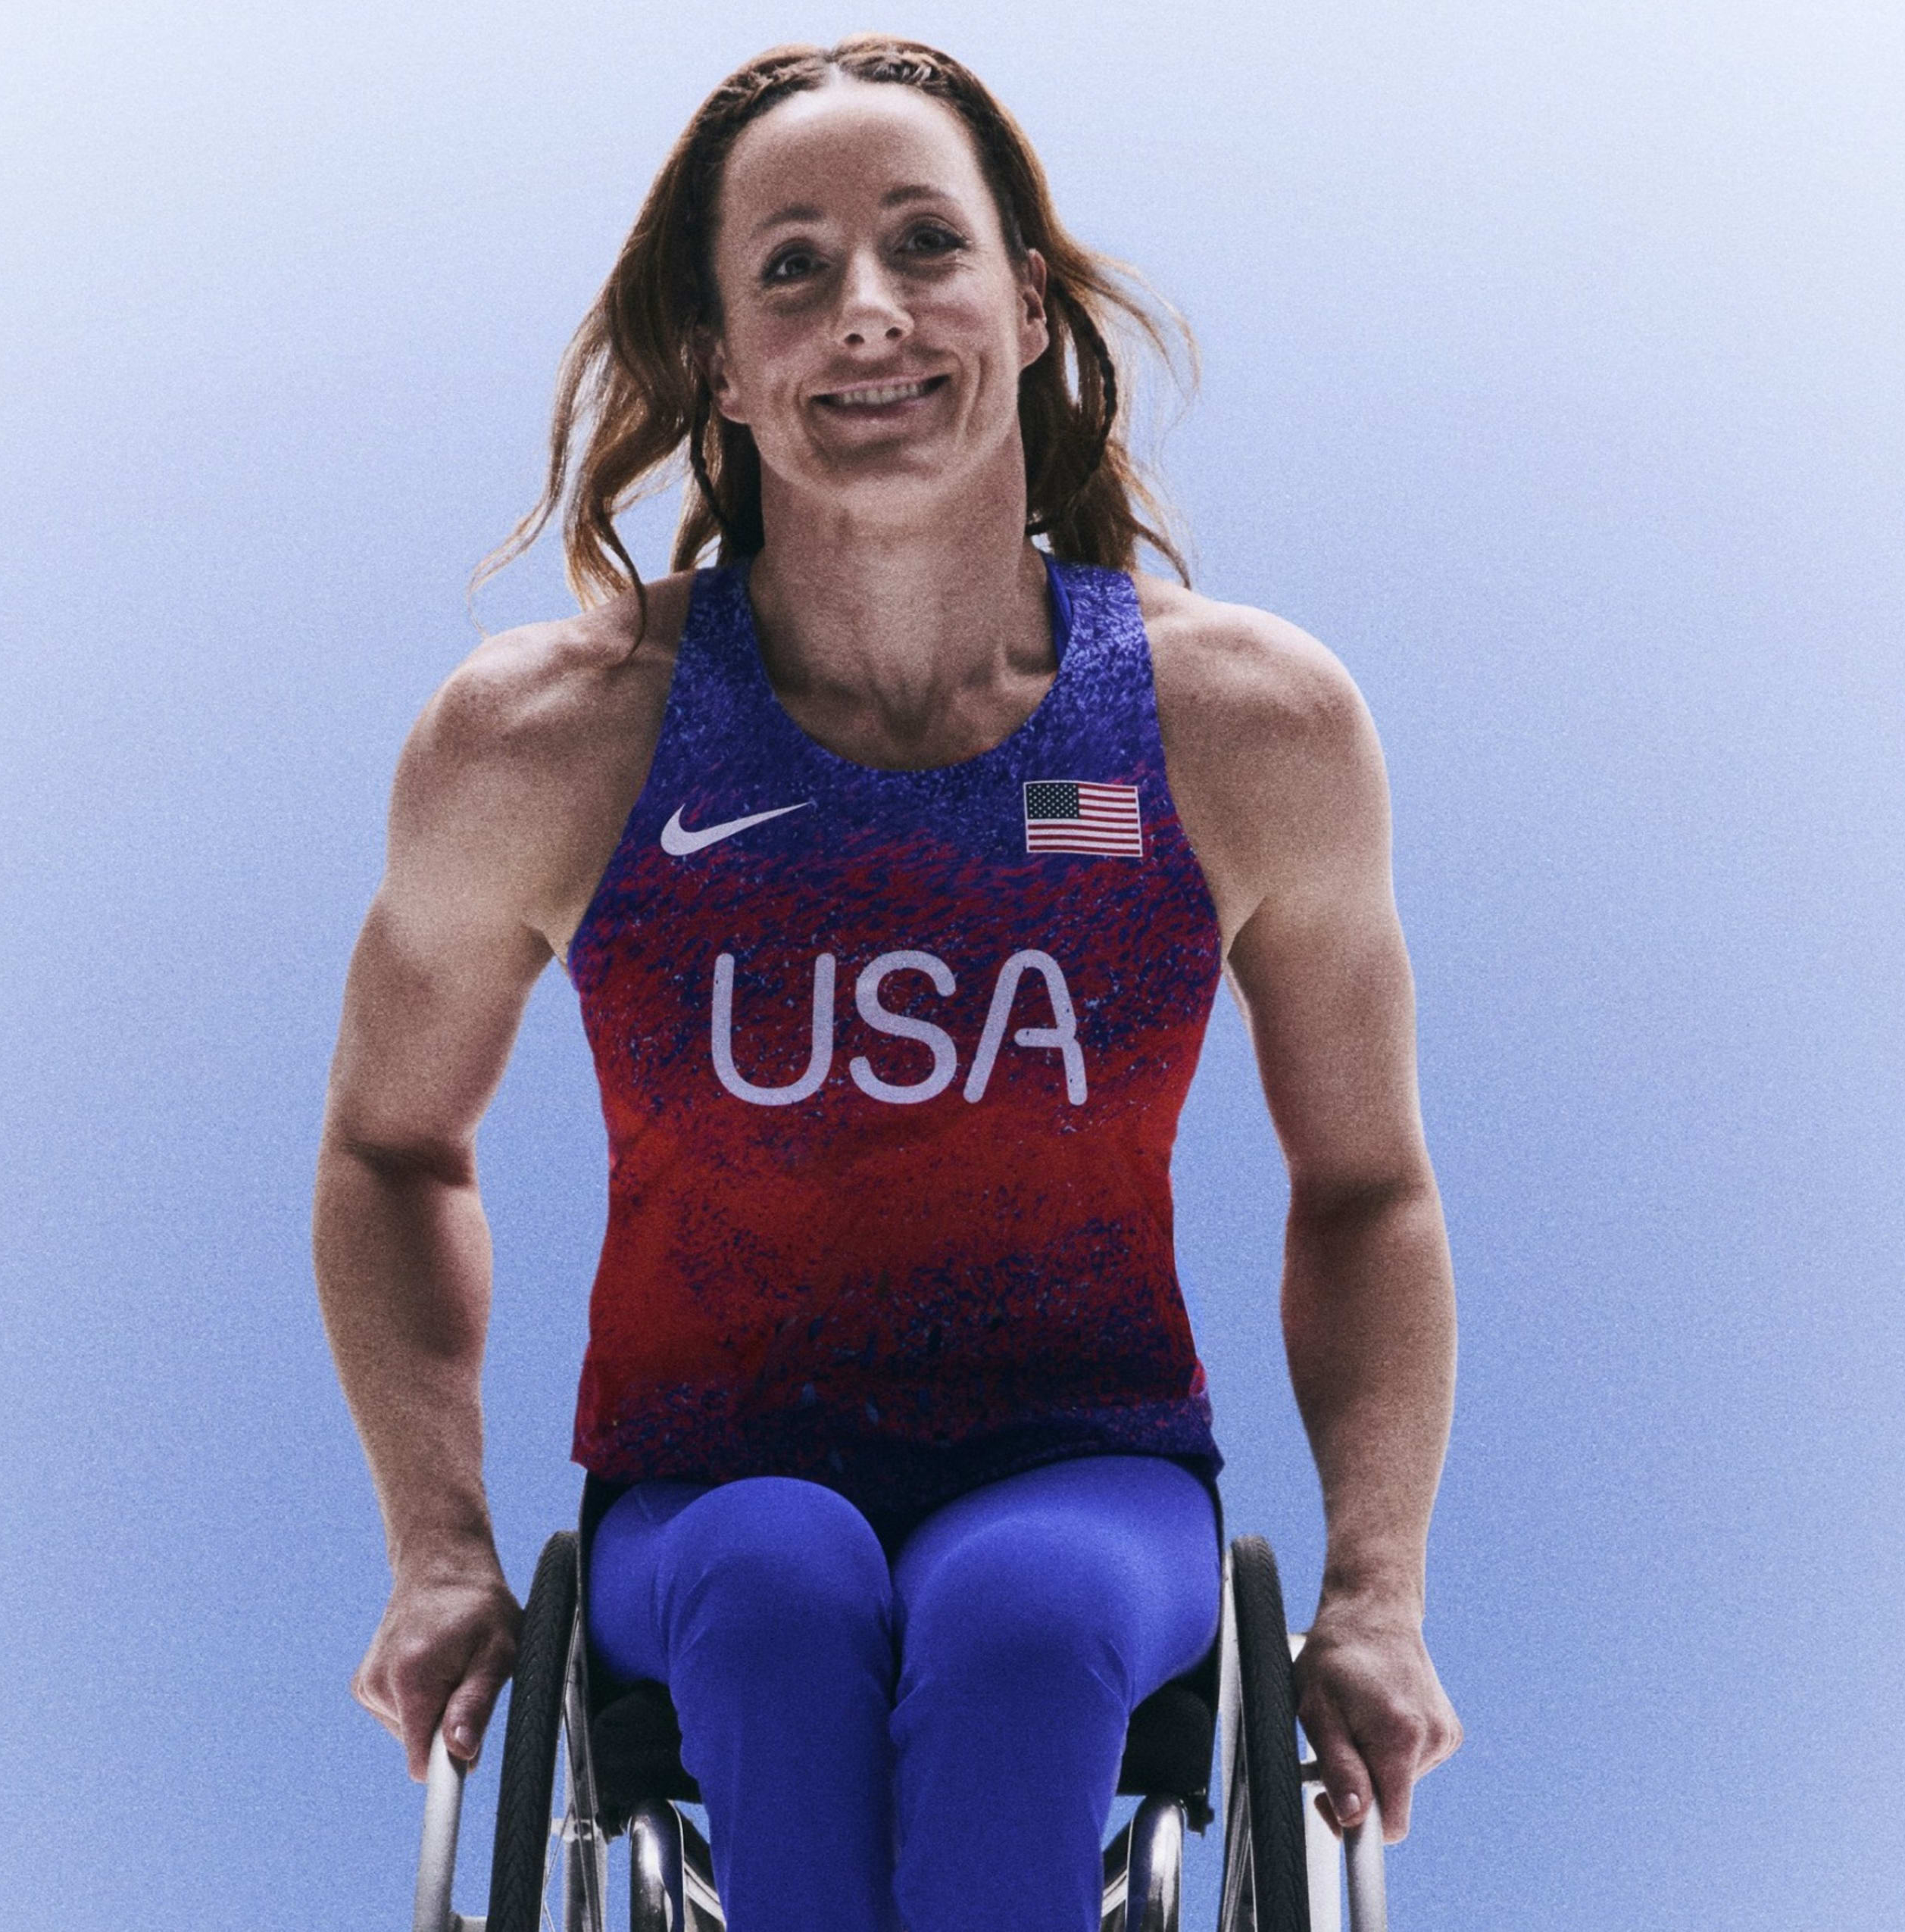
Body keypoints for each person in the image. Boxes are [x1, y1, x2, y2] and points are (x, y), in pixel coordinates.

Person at [314, 35, 1460, 1932]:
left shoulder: (1238, 727)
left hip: (1086, 1470)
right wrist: (437, 1551)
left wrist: (1378, 1596)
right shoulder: (550, 741)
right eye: (790, 267)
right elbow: (387, 1146)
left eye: (925, 245)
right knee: (778, 1589)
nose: (867, 313)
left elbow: (1369, 1183)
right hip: (709, 1484)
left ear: (1020, 302)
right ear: (717, 361)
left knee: (1023, 1612)